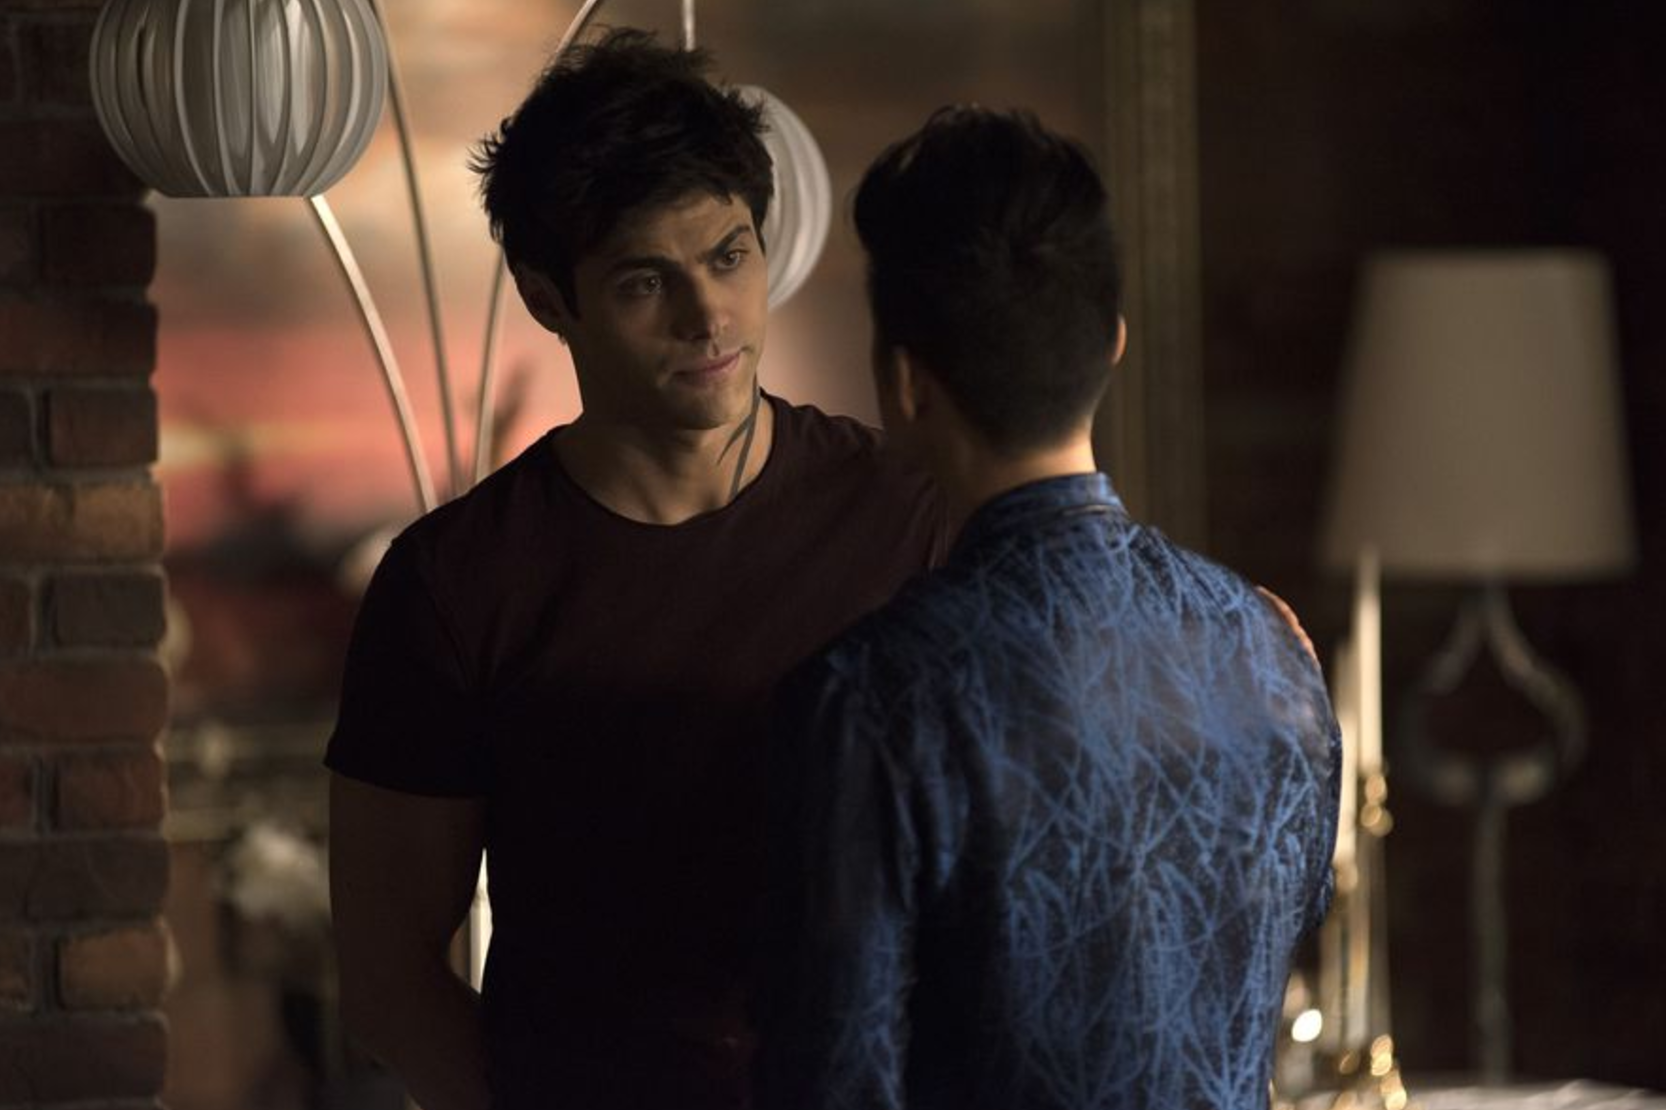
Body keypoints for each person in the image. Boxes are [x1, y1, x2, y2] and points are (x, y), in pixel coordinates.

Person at [325, 30, 944, 1110]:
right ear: (547, 298)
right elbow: (388, 980)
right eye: (646, 282)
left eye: (730, 257)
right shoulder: (456, 583)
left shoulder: (909, 518)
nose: (708, 317)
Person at [753, 107, 1341, 1110]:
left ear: (903, 381)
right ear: (1112, 344)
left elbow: (832, 1079)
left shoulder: (871, 698)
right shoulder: (1271, 648)